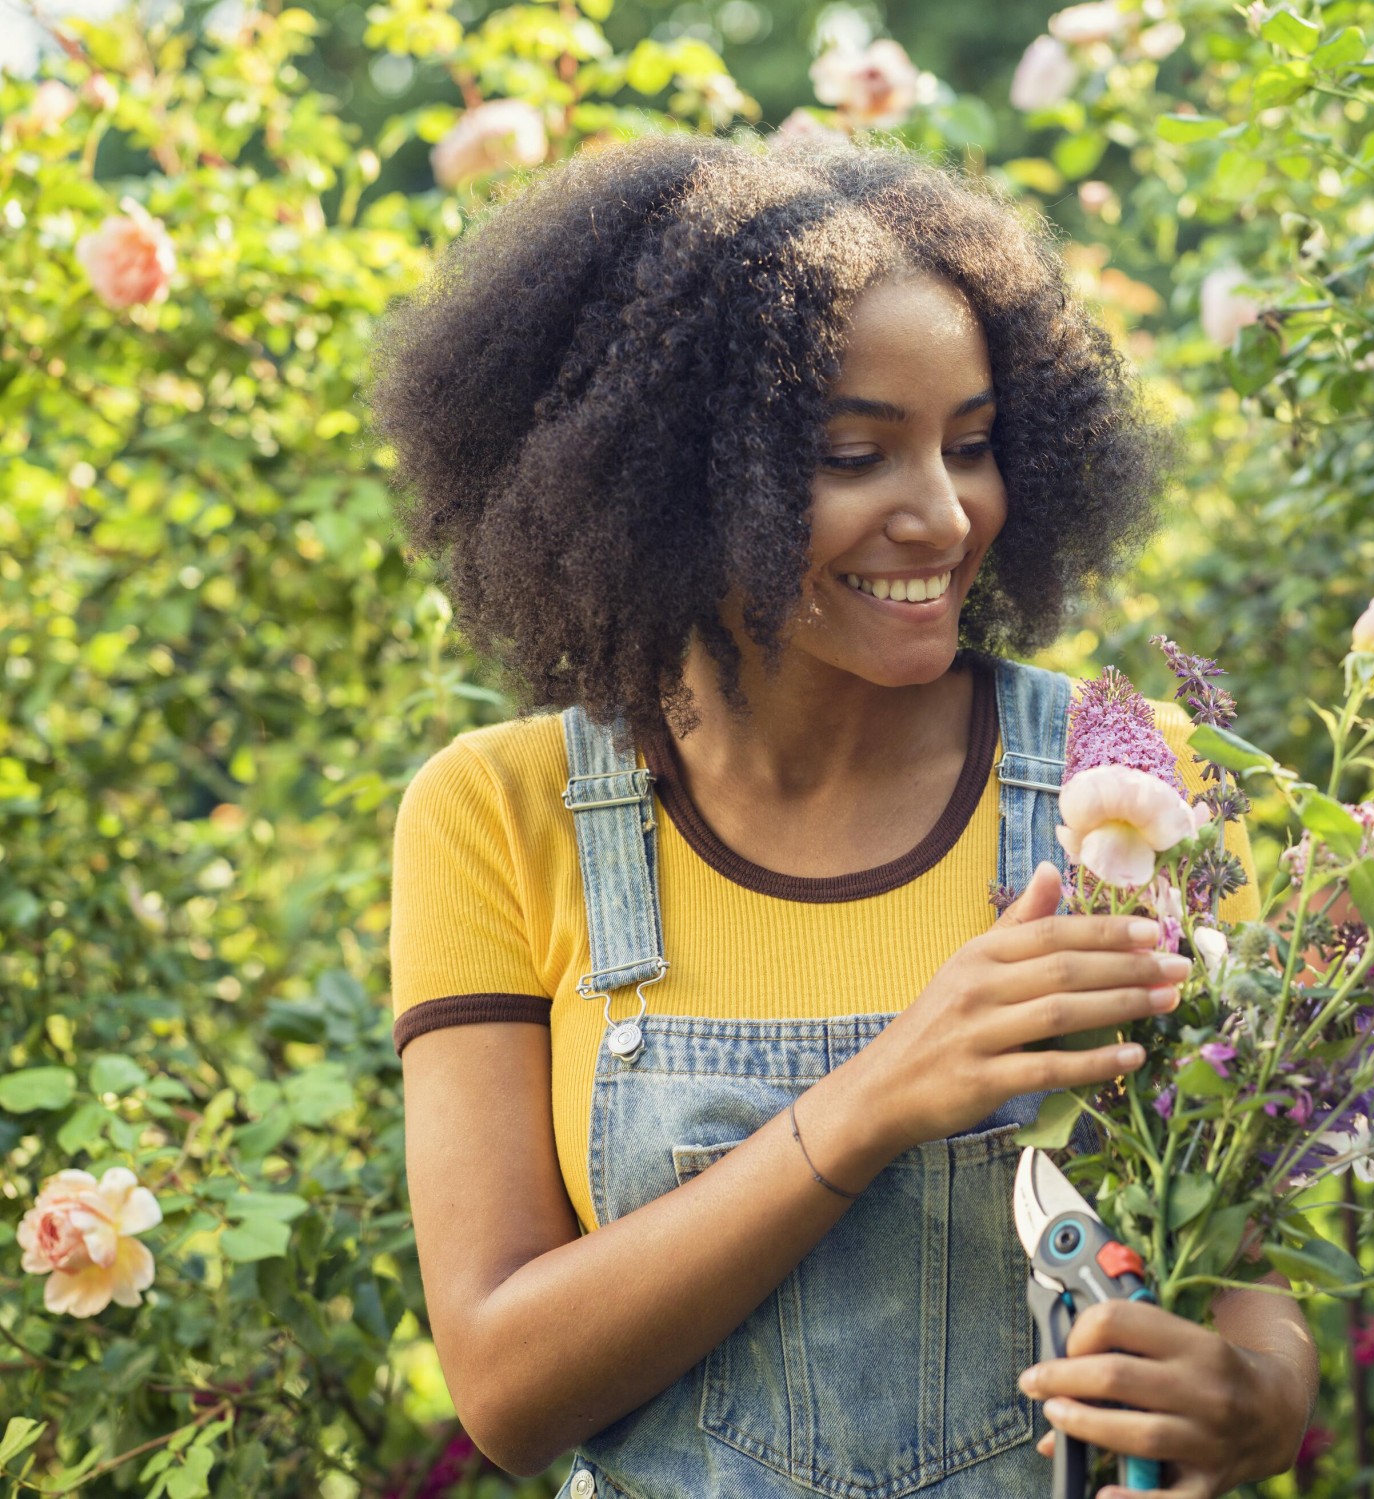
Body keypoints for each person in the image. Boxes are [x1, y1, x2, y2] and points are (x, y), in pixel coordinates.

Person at [372, 129, 1317, 1497]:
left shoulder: (1128, 790)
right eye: (854, 456)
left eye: (972, 446)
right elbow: (507, 1391)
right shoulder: (502, 814)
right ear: (674, 481)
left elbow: (1258, 1289)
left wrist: (1253, 1400)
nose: (943, 515)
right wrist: (877, 1097)